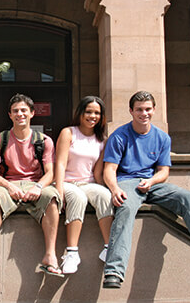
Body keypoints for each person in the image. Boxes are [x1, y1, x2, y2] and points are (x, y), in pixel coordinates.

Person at [101, 90, 190, 289]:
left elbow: (163, 172)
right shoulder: (119, 136)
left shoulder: (162, 138)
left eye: (148, 109)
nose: (144, 113)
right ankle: (114, 271)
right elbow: (109, 170)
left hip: (151, 183)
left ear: (154, 110)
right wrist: (115, 189)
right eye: (139, 110)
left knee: (188, 198)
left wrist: (151, 181)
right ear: (131, 111)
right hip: (127, 182)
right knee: (125, 208)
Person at [0, 93, 63, 277]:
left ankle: (50, 255)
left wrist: (38, 187)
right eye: (15, 111)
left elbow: (51, 172)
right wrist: (8, 186)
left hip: (35, 184)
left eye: (24, 110)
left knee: (52, 198)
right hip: (7, 183)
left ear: (32, 113)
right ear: (10, 115)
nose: (20, 114)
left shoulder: (44, 141)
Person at [54, 95, 113, 274]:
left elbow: (97, 172)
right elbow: (60, 163)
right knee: (78, 198)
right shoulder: (68, 132)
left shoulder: (102, 140)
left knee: (105, 196)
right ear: (80, 113)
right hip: (67, 182)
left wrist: (111, 189)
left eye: (97, 113)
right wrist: (59, 191)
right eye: (88, 112)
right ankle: (72, 253)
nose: (92, 116)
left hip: (88, 182)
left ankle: (109, 247)